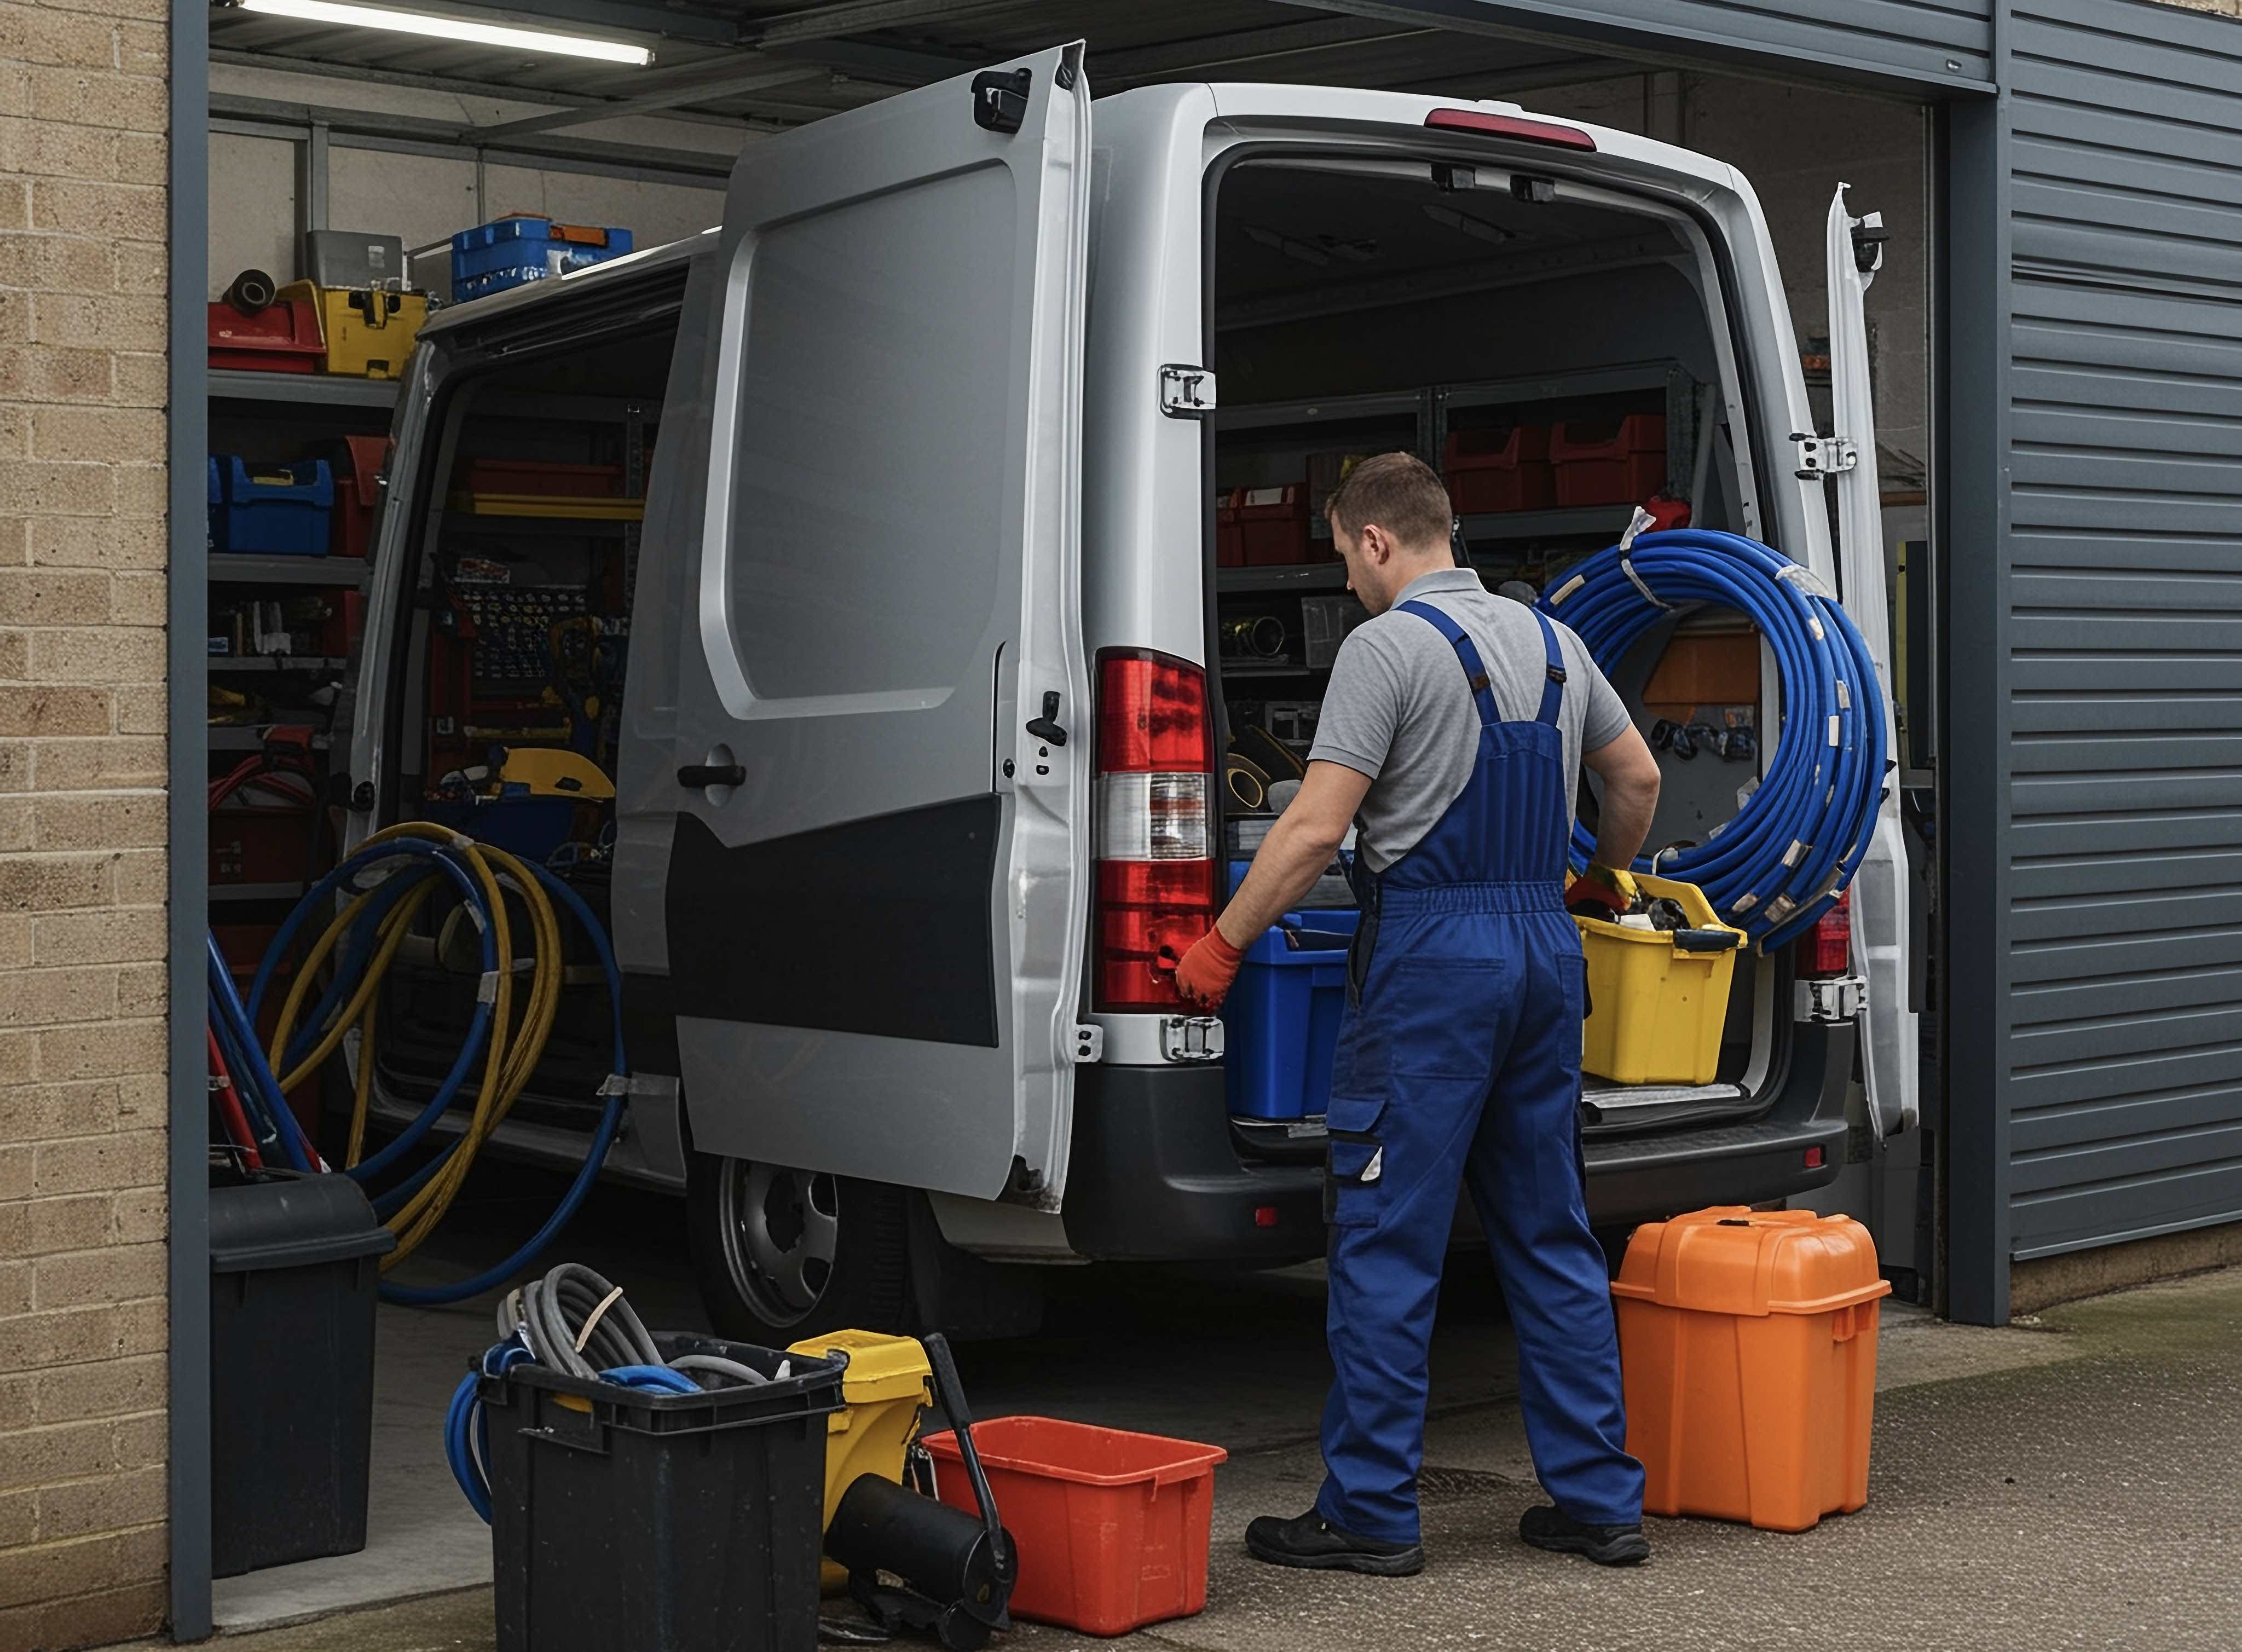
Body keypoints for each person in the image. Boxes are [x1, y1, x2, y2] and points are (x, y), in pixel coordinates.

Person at [1173, 453, 1663, 1574]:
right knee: (1547, 1236)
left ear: (1378, 541)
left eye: (1345, 555)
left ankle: (1368, 1515)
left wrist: (1221, 943)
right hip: (1542, 950)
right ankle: (1598, 1505)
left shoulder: (1383, 648)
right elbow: (1630, 783)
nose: (1346, 578)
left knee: (1388, 1242)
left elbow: (1307, 831)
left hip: (1434, 961)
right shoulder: (1554, 640)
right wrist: (1595, 885)